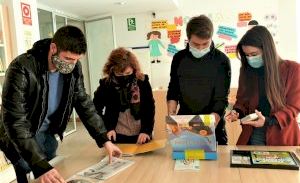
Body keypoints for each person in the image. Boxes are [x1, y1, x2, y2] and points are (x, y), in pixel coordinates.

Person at [0, 25, 122, 183]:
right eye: (67, 58)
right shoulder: (21, 68)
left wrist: (103, 139)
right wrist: (39, 165)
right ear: (53, 47)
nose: (72, 64)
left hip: (48, 133)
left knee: (53, 179)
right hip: (21, 138)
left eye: (76, 60)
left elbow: (83, 102)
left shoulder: (74, 68)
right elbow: (15, 121)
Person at [226, 25, 300, 145]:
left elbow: (294, 107)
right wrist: (236, 112)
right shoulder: (246, 71)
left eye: (254, 54)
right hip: (253, 133)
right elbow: (242, 101)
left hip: (281, 135)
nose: (250, 59)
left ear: (267, 50)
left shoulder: (292, 69)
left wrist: (267, 121)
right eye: (246, 55)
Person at [167, 15, 231, 145]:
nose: (201, 48)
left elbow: (221, 99)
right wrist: (172, 116)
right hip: (184, 123)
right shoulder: (179, 58)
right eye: (196, 44)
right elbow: (173, 89)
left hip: (213, 126)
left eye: (205, 44)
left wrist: (207, 126)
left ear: (211, 38)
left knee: (213, 164)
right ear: (188, 39)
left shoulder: (221, 61)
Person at [93, 47, 155, 144]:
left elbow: (149, 107)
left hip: (141, 135)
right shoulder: (106, 85)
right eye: (119, 74)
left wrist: (146, 131)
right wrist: (106, 129)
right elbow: (95, 109)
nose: (124, 77)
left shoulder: (142, 81)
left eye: (128, 73)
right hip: (116, 135)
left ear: (134, 69)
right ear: (111, 71)